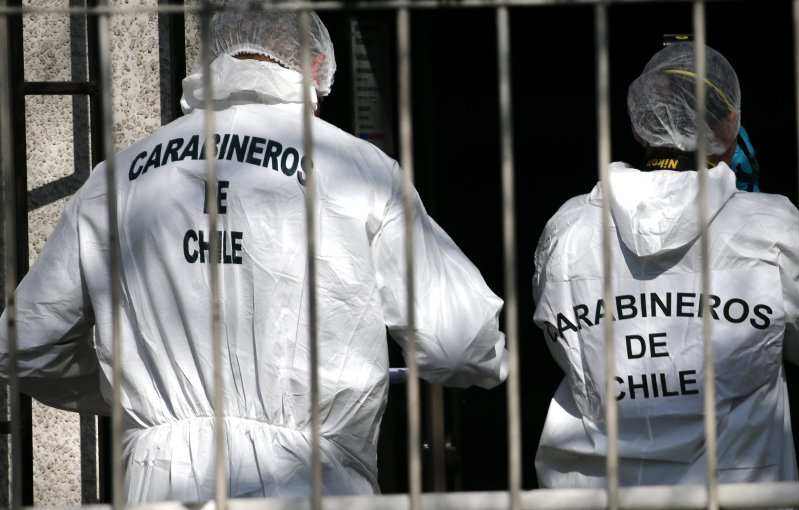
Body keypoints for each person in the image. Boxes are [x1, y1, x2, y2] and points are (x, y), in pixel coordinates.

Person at [0, 3, 508, 503]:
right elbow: (458, 342)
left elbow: (26, 343)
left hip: (161, 479)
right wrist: (492, 363)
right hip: (309, 481)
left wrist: (134, 393)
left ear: (211, 60)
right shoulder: (358, 169)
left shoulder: (117, 178)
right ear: (316, 65)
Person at [531, 43, 799, 486]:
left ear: (640, 127)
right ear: (731, 124)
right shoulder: (773, 229)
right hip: (736, 494)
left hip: (596, 494)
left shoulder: (565, 230)